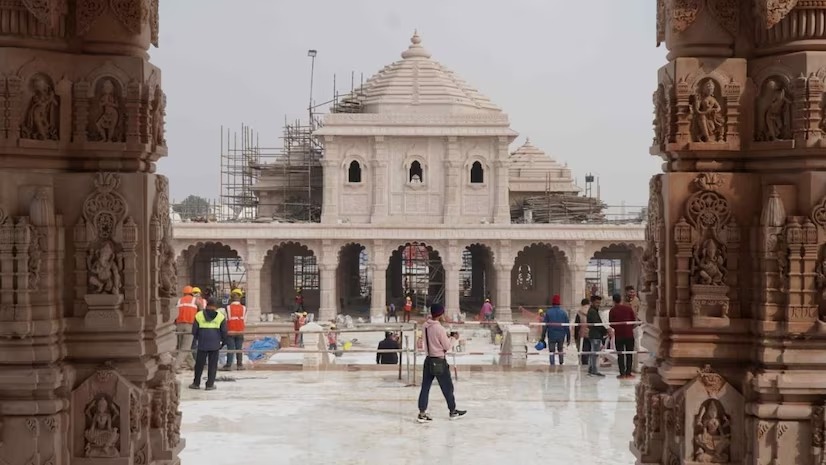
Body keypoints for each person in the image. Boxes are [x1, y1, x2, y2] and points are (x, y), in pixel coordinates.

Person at [417, 304, 466, 423]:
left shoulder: (425, 325)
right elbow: (447, 346)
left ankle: (422, 412)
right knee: (447, 387)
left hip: (428, 360)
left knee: (425, 387)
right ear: (440, 314)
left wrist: (445, 336)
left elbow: (432, 339)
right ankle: (452, 410)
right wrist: (454, 338)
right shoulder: (439, 328)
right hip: (439, 361)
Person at [189, 297, 228, 391]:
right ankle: (210, 385)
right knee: (212, 365)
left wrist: (199, 338)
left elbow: (194, 331)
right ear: (216, 306)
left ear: (207, 305)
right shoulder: (220, 316)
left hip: (202, 343)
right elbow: (224, 332)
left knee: (199, 364)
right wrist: (223, 342)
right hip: (215, 344)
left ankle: (196, 383)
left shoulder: (199, 315)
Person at [609, 293, 637, 379]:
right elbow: (633, 320)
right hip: (629, 334)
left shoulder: (612, 310)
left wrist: (618, 328)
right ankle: (628, 373)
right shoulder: (628, 309)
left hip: (619, 335)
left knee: (620, 355)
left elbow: (611, 323)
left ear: (613, 300)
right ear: (621, 299)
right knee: (629, 354)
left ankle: (622, 373)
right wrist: (629, 327)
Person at [174, 285, 199, 371]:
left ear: (184, 293)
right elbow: (202, 311)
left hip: (179, 325)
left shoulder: (179, 300)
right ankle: (175, 366)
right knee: (185, 348)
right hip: (190, 325)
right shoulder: (195, 300)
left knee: (183, 347)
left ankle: (194, 365)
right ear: (192, 293)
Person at [541, 294, 571, 366]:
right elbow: (567, 326)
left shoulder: (548, 312)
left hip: (551, 335)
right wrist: (568, 338)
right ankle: (561, 363)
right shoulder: (564, 313)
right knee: (560, 350)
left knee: (552, 351)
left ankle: (552, 365)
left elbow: (545, 326)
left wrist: (542, 337)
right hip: (561, 335)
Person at [221, 289, 247, 371]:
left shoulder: (227, 308)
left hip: (230, 331)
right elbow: (245, 320)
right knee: (239, 348)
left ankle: (228, 365)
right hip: (240, 331)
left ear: (231, 297)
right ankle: (239, 365)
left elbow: (225, 320)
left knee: (230, 348)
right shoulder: (244, 308)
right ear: (240, 297)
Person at [586, 295, 611, 377]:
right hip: (595, 335)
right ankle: (594, 370)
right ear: (592, 302)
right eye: (597, 302)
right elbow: (597, 324)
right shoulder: (593, 312)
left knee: (593, 352)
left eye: (599, 303)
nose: (598, 304)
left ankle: (591, 368)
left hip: (595, 334)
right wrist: (605, 331)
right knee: (595, 353)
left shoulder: (594, 311)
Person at [624, 285, 642, 373]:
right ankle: (627, 366)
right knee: (626, 347)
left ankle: (635, 366)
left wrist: (637, 321)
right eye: (630, 292)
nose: (632, 294)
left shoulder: (637, 300)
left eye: (633, 292)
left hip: (634, 326)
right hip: (625, 327)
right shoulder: (623, 301)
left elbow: (640, 312)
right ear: (626, 292)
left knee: (636, 346)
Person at [573, 298, 591, 365]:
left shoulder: (579, 312)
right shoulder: (592, 311)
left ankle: (584, 365)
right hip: (591, 334)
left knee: (583, 351)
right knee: (590, 351)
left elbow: (577, 325)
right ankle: (590, 365)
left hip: (582, 335)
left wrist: (575, 336)